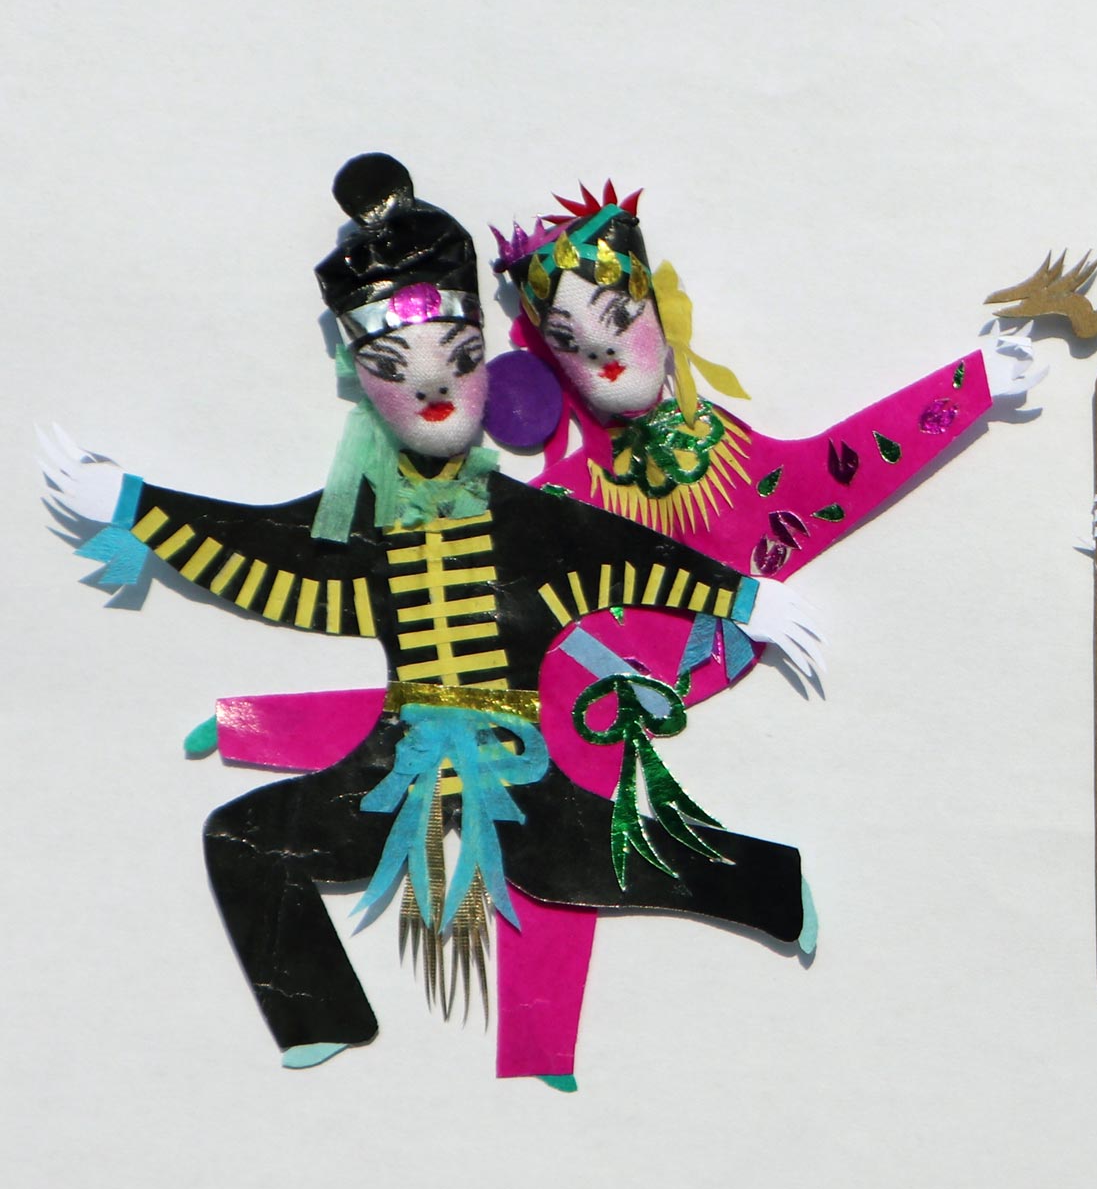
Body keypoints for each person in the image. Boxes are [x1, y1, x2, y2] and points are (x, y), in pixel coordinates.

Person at [198, 180, 1041, 1083]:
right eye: (568, 340)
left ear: (660, 310)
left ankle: (552, 1040)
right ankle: (591, 1007)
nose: (600, 355)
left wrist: (974, 383)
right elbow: (438, 618)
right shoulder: (555, 495)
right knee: (503, 788)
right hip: (534, 689)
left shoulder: (743, 476)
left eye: (617, 320)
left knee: (552, 853)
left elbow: (852, 462)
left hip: (600, 703)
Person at [41, 154, 826, 1070]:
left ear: (488, 364)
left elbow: (626, 557)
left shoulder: (531, 522)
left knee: (577, 859)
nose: (432, 388)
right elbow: (262, 545)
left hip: (518, 765)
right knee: (243, 839)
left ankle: (775, 884)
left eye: (456, 358)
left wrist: (746, 598)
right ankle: (322, 1016)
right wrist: (134, 504)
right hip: (396, 769)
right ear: (362, 377)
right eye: (393, 366)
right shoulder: (355, 524)